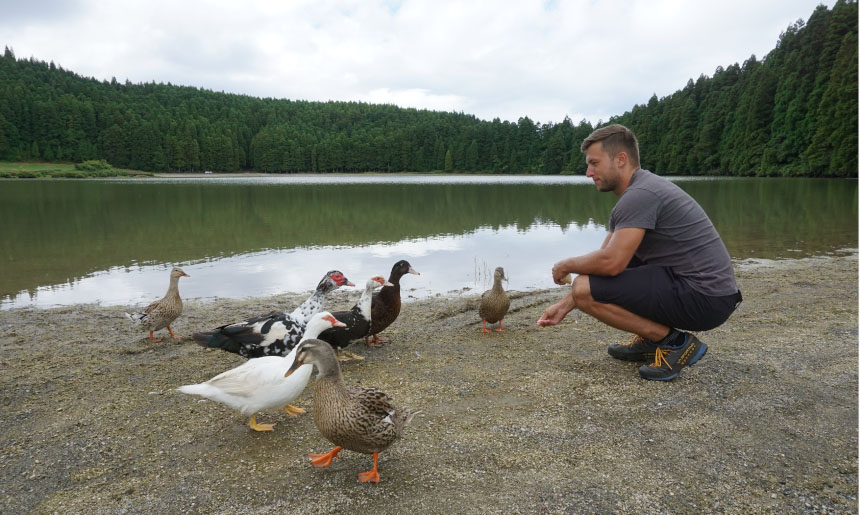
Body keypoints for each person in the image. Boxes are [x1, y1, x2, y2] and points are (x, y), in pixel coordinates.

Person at [536, 124, 742, 381]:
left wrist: (566, 265)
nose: (588, 173)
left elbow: (610, 263)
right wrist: (565, 305)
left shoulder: (641, 195)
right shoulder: (638, 193)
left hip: (706, 297)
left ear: (621, 159)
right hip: (708, 293)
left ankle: (674, 342)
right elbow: (603, 265)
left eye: (594, 163)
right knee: (592, 281)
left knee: (584, 286)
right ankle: (650, 340)